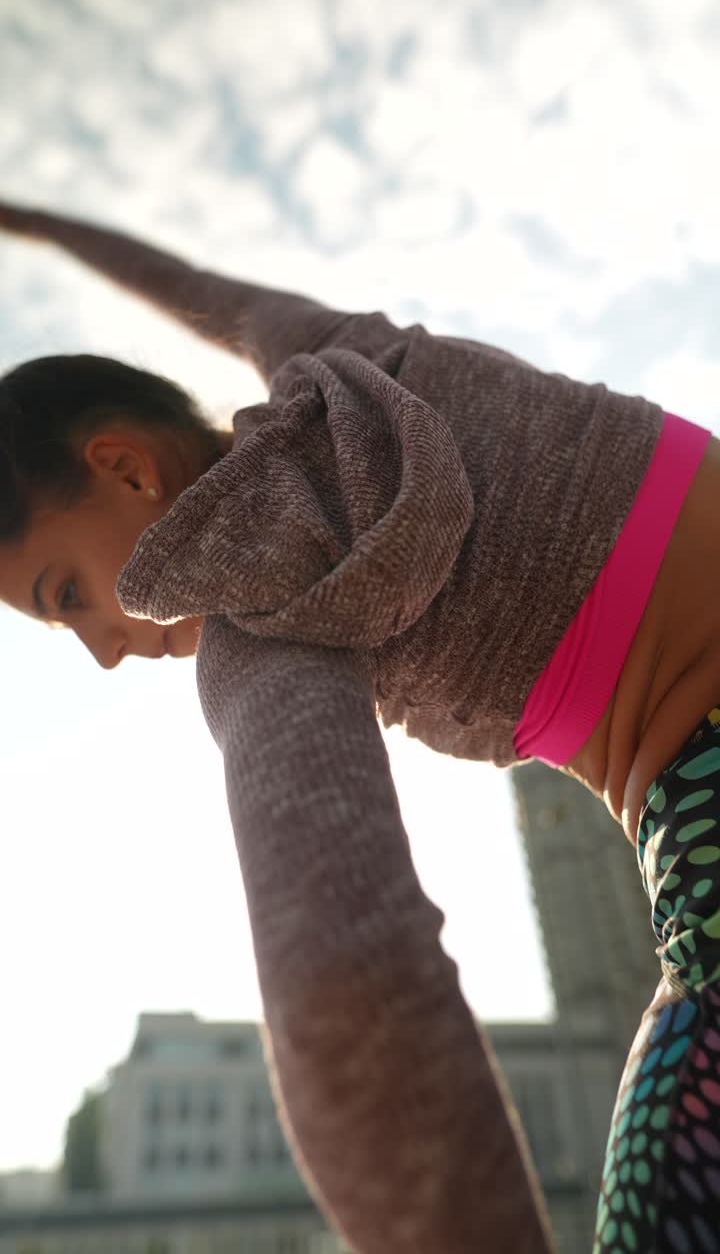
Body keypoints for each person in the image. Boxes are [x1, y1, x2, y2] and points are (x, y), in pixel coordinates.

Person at [1, 202, 719, 1254]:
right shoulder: (340, 352)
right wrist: (49, 228)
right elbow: (201, 285)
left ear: (124, 466)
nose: (104, 647)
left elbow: (344, 980)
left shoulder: (267, 627)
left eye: (66, 595)